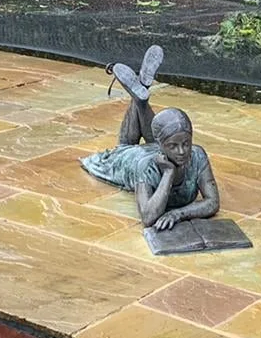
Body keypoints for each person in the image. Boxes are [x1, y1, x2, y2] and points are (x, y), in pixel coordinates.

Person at [79, 46, 221, 230]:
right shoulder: (145, 167)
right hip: (129, 159)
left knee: (137, 140)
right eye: (173, 146)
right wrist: (168, 173)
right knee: (123, 147)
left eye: (186, 143)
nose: (182, 151)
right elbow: (148, 217)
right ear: (161, 146)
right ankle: (140, 98)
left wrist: (178, 214)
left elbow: (213, 203)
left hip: (154, 146)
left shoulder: (198, 155)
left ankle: (140, 98)